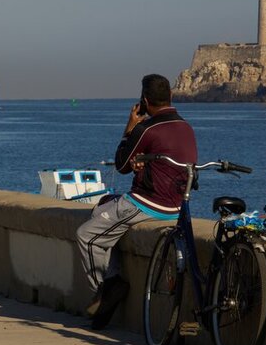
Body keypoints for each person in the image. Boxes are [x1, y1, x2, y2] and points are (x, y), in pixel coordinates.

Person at [76, 74, 197, 330]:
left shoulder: (147, 129)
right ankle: (113, 278)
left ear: (144, 101)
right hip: (177, 206)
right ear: (171, 97)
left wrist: (129, 129)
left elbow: (121, 165)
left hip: (149, 204)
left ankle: (106, 289)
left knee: (86, 236)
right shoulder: (186, 127)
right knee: (102, 207)